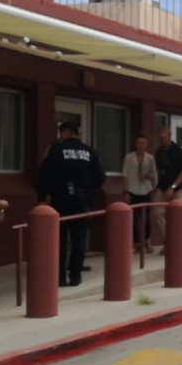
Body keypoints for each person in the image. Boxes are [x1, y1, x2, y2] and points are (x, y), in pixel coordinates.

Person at [37, 120, 106, 287]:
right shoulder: (90, 152)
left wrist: (43, 197)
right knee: (79, 238)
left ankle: (59, 277)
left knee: (59, 238)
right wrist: (88, 194)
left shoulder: (57, 149)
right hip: (81, 199)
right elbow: (100, 177)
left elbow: (45, 175)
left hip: (61, 198)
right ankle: (75, 275)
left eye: (61, 133)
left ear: (65, 132)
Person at [151, 126, 182, 254]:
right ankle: (170, 240)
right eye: (159, 137)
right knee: (156, 213)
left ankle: (177, 245)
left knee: (177, 215)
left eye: (163, 137)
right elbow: (158, 171)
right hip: (162, 186)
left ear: (169, 136)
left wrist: (173, 187)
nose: (161, 139)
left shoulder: (179, 151)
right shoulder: (159, 152)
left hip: (178, 187)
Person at [122, 134, 157, 253]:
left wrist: (147, 176)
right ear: (135, 144)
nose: (141, 146)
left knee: (147, 218)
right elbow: (125, 174)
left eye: (143, 143)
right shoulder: (129, 157)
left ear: (146, 145)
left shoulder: (150, 158)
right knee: (134, 218)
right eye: (139, 143)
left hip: (146, 190)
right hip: (133, 190)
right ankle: (136, 242)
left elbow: (154, 174)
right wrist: (126, 191)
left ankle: (147, 240)